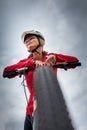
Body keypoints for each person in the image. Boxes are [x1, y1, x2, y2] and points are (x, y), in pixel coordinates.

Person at [3, 30, 79, 130]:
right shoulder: (26, 61)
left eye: (31, 38)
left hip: (50, 101)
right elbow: (6, 71)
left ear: (41, 41)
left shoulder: (50, 56)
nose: (27, 41)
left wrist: (55, 57)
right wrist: (31, 63)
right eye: (25, 41)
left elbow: (74, 60)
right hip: (30, 111)